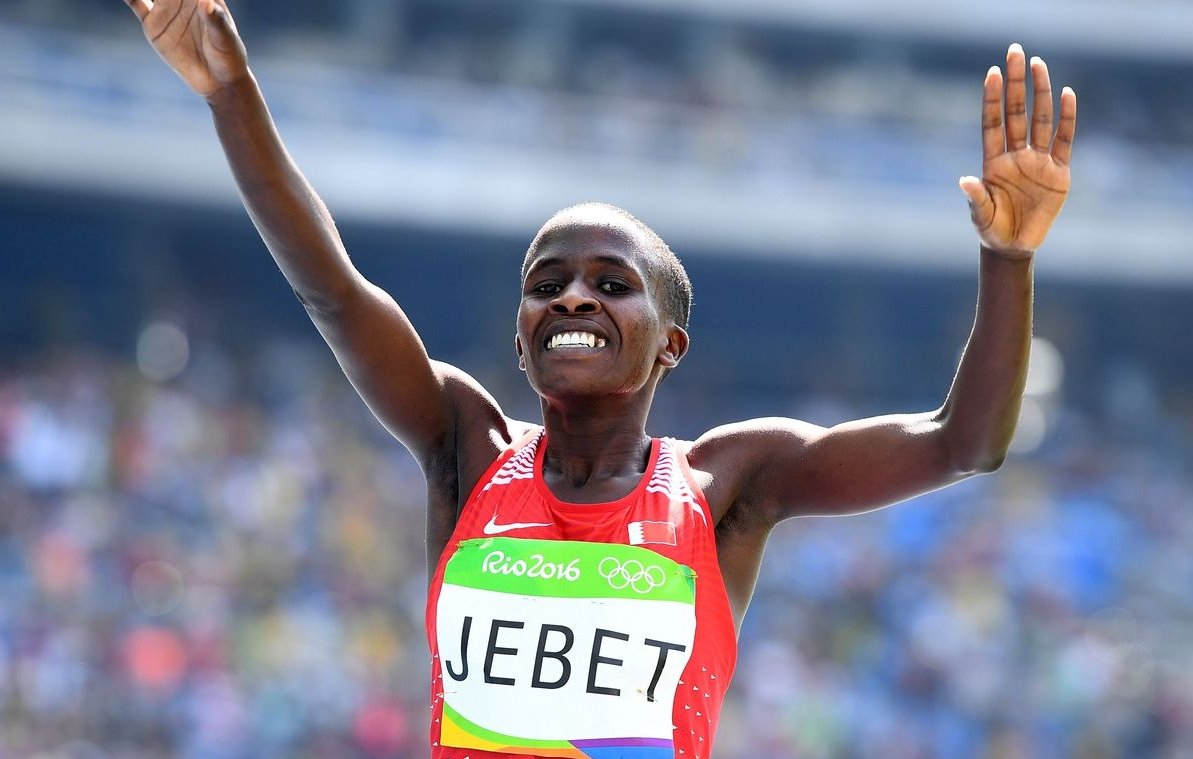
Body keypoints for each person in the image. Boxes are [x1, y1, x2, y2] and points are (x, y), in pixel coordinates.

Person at [121, 1, 1077, 756]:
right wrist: (229, 92)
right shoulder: (465, 444)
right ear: (520, 337)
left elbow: (964, 443)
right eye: (547, 285)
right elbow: (333, 292)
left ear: (670, 345)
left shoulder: (728, 483)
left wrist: (1007, 258)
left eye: (610, 284)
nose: (572, 296)